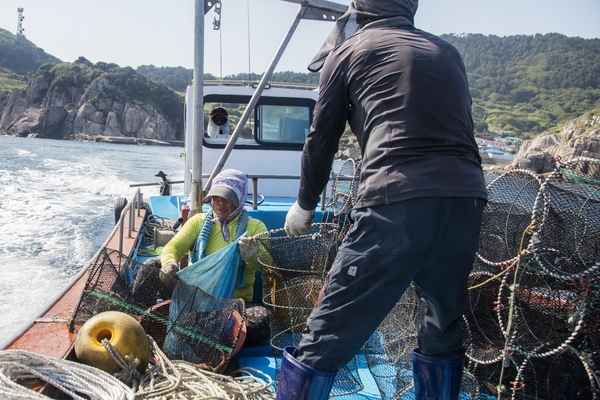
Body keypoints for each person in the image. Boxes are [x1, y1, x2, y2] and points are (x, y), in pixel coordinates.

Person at [278, 1, 488, 399]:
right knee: (442, 325)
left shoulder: (348, 51)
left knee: (330, 327)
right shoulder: (448, 53)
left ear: (361, 10)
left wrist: (305, 204)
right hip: (466, 199)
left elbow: (321, 140)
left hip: (395, 202)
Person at [160, 169, 271, 344]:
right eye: (216, 197)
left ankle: (195, 328)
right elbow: (173, 247)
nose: (220, 203)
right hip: (194, 298)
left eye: (227, 198)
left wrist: (251, 255)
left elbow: (267, 266)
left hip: (234, 305)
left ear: (240, 199)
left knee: (261, 321)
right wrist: (168, 264)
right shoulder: (197, 222)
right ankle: (212, 331)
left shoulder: (256, 227)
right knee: (152, 265)